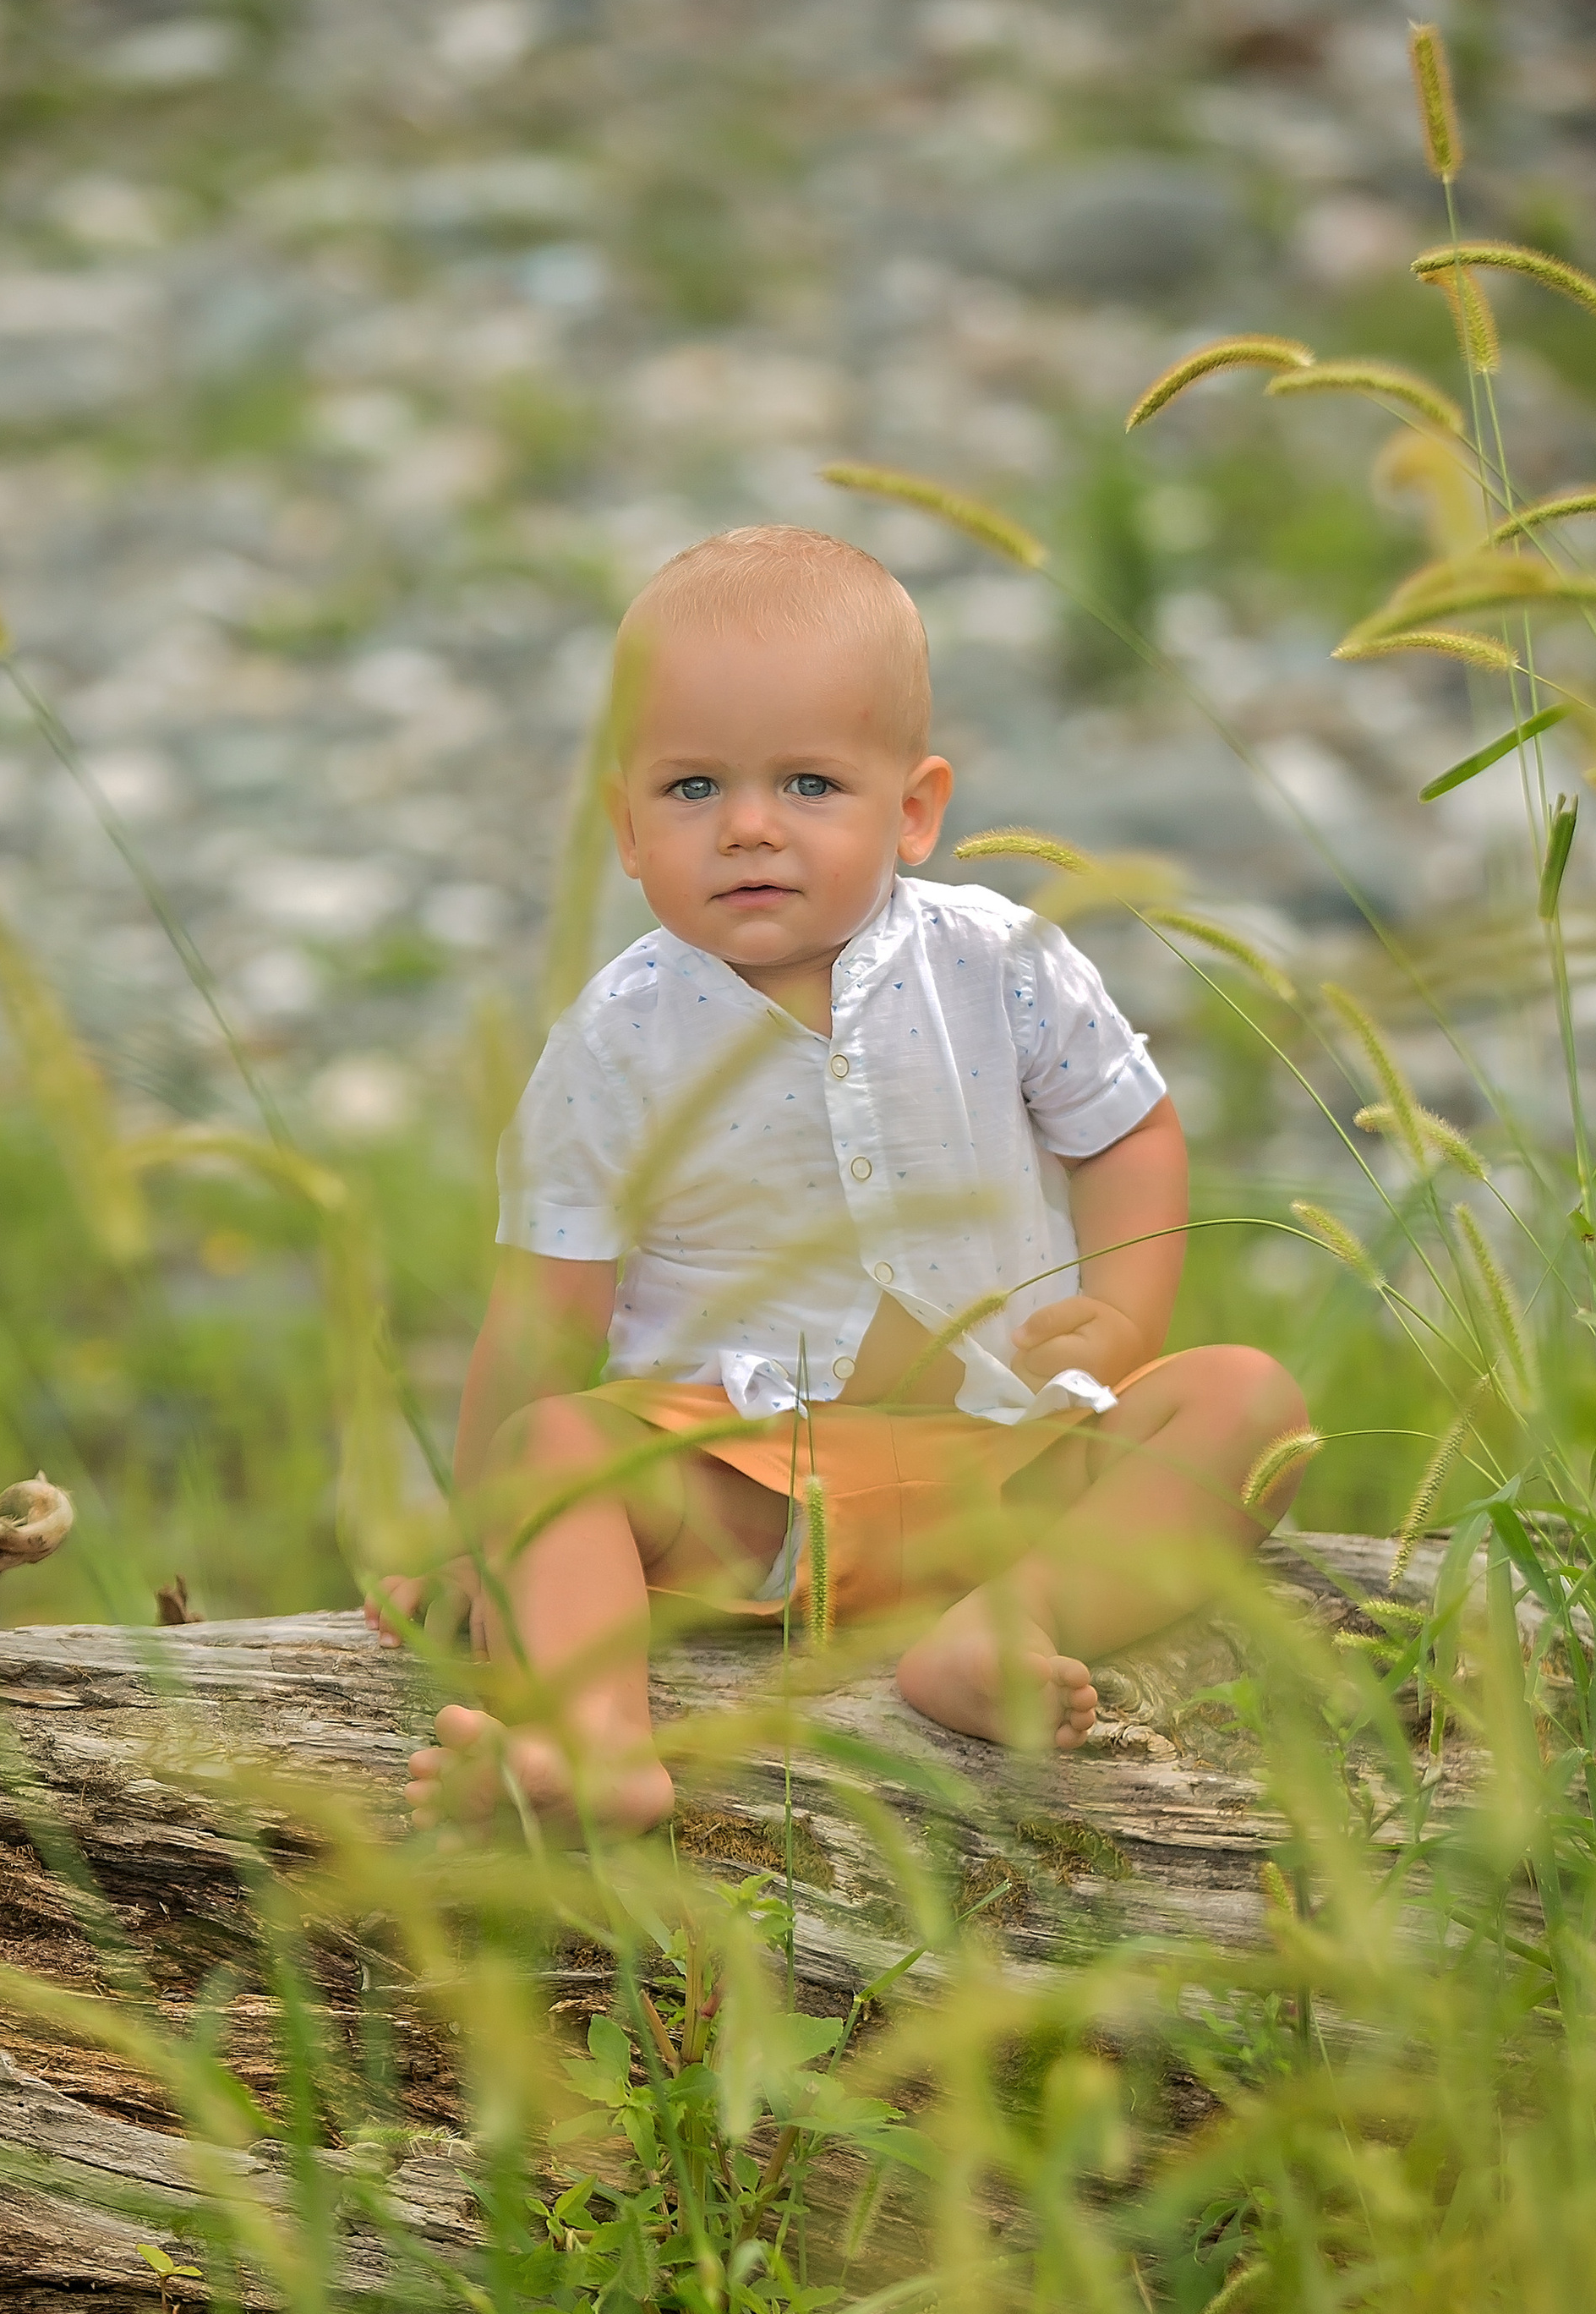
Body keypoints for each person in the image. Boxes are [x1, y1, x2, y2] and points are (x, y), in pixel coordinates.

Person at [372, 524, 1309, 1830]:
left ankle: (1004, 1628)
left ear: (916, 808)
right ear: (623, 824)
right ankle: (597, 1749)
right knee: (557, 1455)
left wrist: (1124, 1314)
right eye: (693, 790)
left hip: (1007, 1465)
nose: (749, 828)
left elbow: (1130, 1135)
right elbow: (544, 1317)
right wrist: (486, 1543)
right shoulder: (617, 1035)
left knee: (1244, 1401)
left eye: (809, 785)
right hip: (744, 1499)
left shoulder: (998, 960)